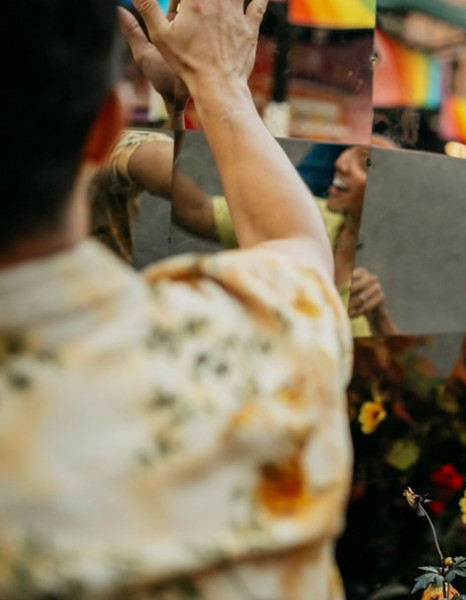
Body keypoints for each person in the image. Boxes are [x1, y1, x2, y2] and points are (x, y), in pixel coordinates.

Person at [1, 1, 354, 598]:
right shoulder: (256, 338)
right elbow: (292, 248)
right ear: (104, 125)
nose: (346, 164)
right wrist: (217, 84)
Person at [103, 131, 399, 335]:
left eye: (365, 162)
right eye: (346, 150)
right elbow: (199, 212)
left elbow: (397, 367)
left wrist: (380, 317)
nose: (340, 162)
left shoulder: (381, 270)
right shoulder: (307, 212)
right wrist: (152, 159)